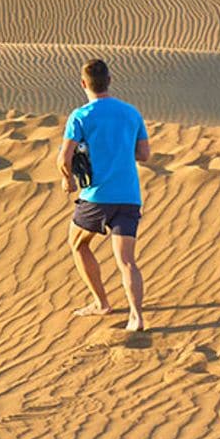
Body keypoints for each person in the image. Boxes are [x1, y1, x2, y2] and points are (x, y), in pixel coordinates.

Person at [57, 58, 150, 331]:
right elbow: (144, 155)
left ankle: (101, 303)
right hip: (129, 196)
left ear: (83, 84)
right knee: (127, 261)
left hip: (96, 197)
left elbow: (64, 157)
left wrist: (67, 181)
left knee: (78, 244)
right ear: (110, 80)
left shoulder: (81, 116)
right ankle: (137, 317)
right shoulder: (132, 113)